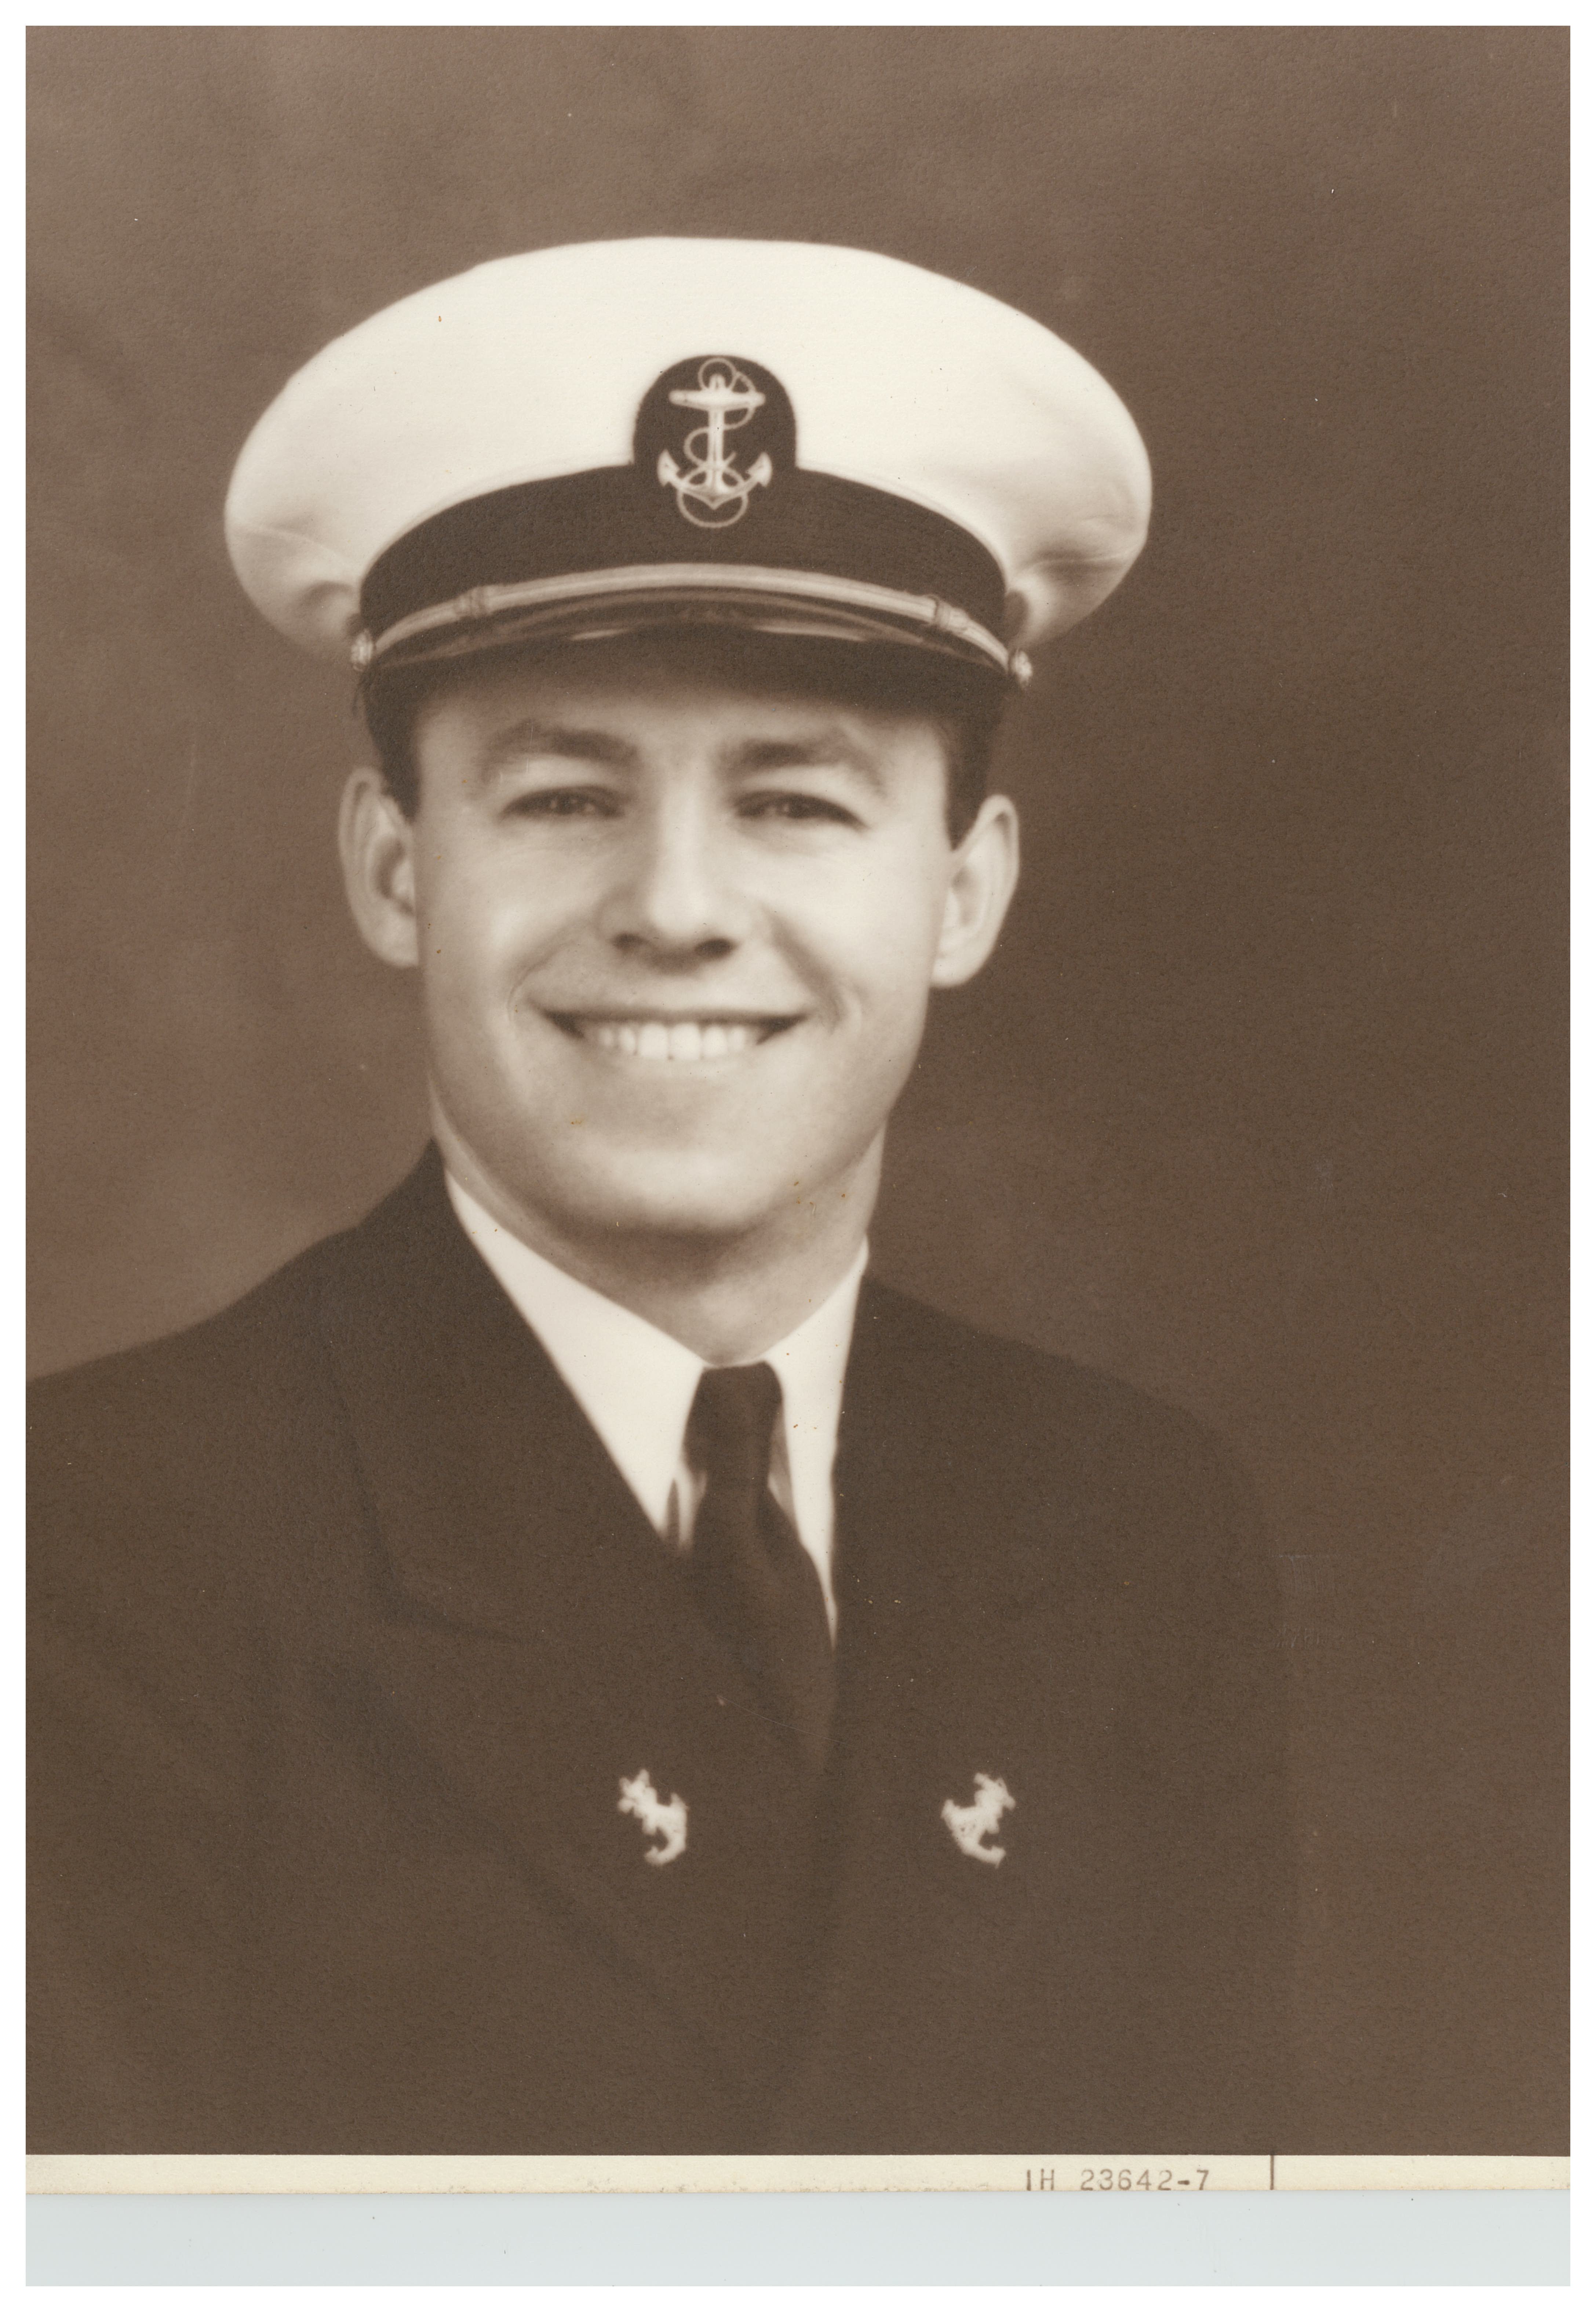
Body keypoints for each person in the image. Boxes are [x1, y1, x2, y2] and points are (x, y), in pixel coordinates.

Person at [29, 239, 1293, 2156]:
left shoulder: (1139, 1538)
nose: (680, 908)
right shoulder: (88, 1553)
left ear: (965, 890)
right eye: (564, 797)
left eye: (795, 802)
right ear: (395, 870)